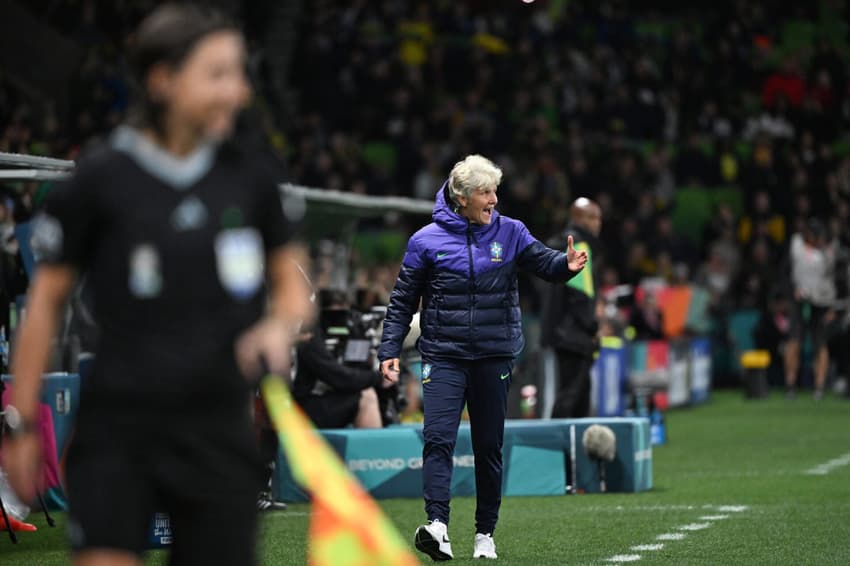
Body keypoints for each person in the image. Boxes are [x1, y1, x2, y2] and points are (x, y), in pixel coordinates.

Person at [3, 5, 313, 565]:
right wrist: (22, 424)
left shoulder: (254, 174)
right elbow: (45, 305)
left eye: (239, 74)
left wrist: (278, 326)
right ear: (162, 80)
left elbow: (291, 286)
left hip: (220, 432)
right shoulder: (102, 176)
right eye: (217, 74)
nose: (237, 92)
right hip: (119, 430)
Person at [378, 154, 587, 561]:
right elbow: (402, 300)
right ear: (461, 197)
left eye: (495, 191)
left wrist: (566, 265)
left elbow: (544, 262)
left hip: (494, 356)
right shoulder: (425, 241)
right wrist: (389, 350)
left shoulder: (511, 232)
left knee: (488, 447)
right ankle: (437, 526)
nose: (494, 199)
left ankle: (484, 533)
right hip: (443, 355)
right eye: (486, 192)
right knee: (438, 439)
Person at [540, 198, 602, 418]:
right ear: (577, 218)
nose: (597, 223)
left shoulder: (555, 245)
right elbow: (581, 296)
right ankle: (561, 449)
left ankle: (567, 449)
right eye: (592, 217)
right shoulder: (580, 246)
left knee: (567, 393)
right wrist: (593, 328)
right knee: (573, 398)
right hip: (574, 335)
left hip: (557, 331)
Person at [784, 218, 837, 400]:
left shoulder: (830, 251)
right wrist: (791, 291)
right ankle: (790, 385)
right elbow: (785, 271)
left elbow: (836, 280)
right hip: (799, 301)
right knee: (794, 341)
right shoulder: (796, 245)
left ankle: (819, 386)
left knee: (820, 344)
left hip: (821, 302)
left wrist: (833, 307)